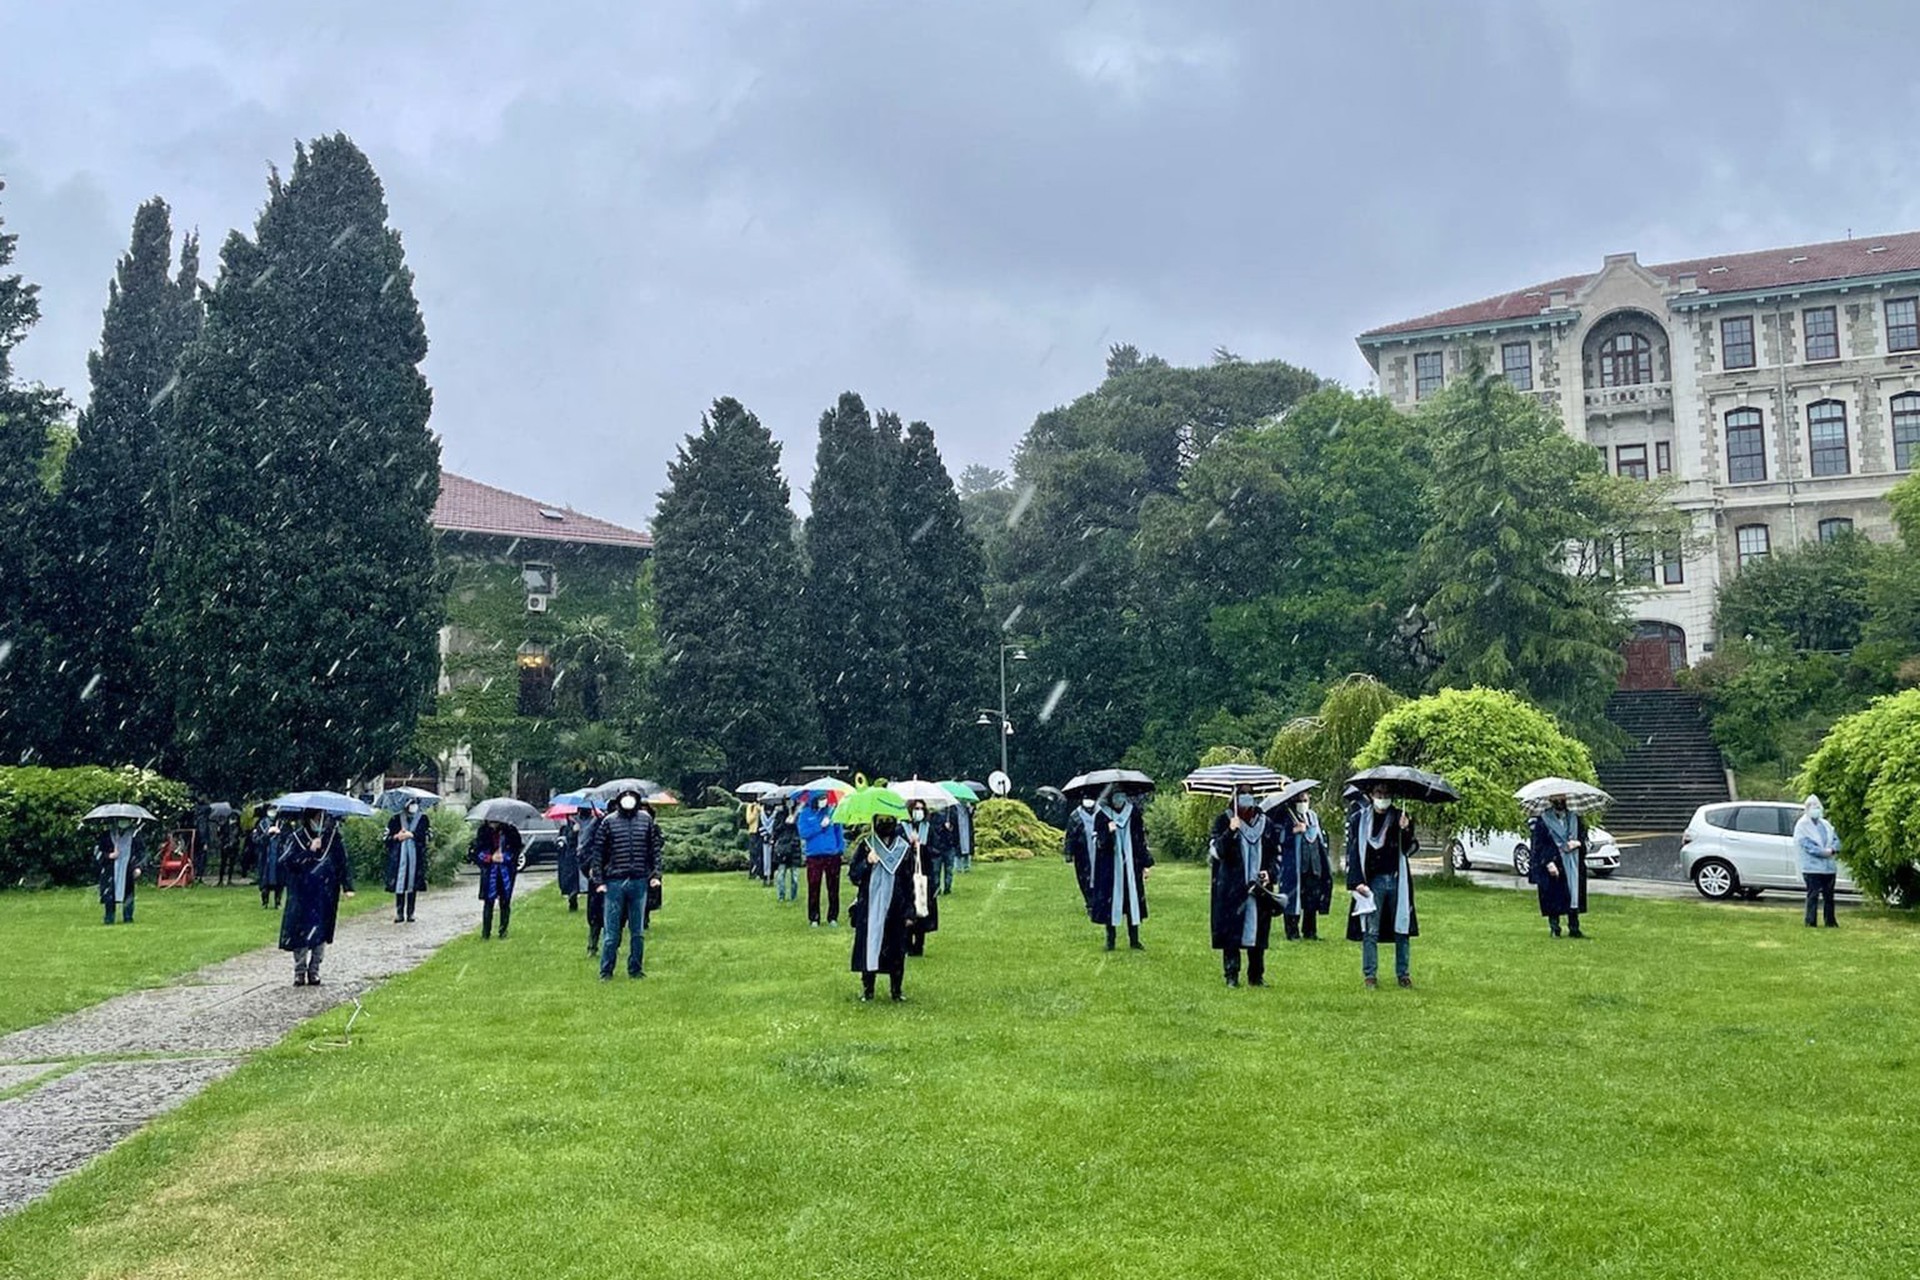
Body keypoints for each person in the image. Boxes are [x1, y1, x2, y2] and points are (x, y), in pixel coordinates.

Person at [1346, 786, 1420, 989]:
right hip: (1372, 882)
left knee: (1402, 928)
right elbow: (1354, 851)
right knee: (1370, 929)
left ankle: (1403, 974)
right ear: (1371, 795)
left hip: (1397, 879)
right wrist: (1356, 881)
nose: (1383, 798)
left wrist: (1405, 830)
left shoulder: (1400, 816)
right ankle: (1370, 975)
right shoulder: (1359, 820)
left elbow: (1408, 849)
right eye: (1379, 794)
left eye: (1387, 794)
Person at [587, 787, 665, 979]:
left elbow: (654, 850)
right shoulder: (608, 822)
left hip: (639, 880)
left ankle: (635, 969)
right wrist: (599, 880)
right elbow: (598, 853)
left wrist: (656, 875)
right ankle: (606, 971)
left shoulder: (646, 821)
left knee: (637, 932)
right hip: (614, 882)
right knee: (612, 932)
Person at [1210, 790, 1278, 987]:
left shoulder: (1266, 823)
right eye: (1242, 792)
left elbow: (1275, 853)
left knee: (1258, 931)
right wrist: (1230, 831)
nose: (1247, 797)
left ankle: (1256, 976)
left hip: (1259, 886)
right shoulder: (1224, 820)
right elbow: (1217, 852)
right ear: (1234, 796)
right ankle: (1232, 975)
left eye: (1250, 792)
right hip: (1232, 886)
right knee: (1233, 931)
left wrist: (1270, 873)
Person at [278, 809, 355, 986]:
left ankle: (315, 969)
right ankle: (299, 970)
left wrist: (347, 885)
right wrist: (309, 851)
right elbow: (287, 862)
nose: (321, 821)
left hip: (324, 891)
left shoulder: (333, 837)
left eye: (324, 817)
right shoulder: (297, 837)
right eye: (318, 817)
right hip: (301, 891)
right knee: (300, 932)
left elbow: (342, 862)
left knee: (320, 931)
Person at [849, 814, 915, 1001]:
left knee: (895, 949)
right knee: (869, 946)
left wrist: (909, 910)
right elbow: (854, 876)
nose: (885, 824)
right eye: (881, 820)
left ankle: (896, 990)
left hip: (896, 906)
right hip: (870, 906)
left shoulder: (903, 848)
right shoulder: (866, 846)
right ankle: (868, 989)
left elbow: (908, 880)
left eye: (889, 820)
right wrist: (867, 863)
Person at [1091, 786, 1151, 951]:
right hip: (1110, 869)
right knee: (1111, 904)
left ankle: (1134, 940)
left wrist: (1146, 863)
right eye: (1116, 796)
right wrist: (1108, 833)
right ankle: (1110, 941)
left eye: (1122, 796)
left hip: (1131, 866)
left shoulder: (1133, 813)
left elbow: (1140, 840)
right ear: (1110, 798)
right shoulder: (1102, 816)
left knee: (1132, 902)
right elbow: (1099, 845)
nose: (1120, 800)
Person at [1528, 796, 1589, 939]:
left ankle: (1574, 928)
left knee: (1573, 894)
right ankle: (1555, 928)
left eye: (1563, 798)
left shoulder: (1574, 818)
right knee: (1553, 896)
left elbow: (1583, 837)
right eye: (1557, 798)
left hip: (1573, 862)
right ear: (1551, 800)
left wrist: (1578, 843)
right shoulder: (1543, 821)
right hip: (1554, 862)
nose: (1560, 801)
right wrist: (1548, 862)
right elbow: (1539, 845)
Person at [1280, 791, 1332, 941]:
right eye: (1299, 799)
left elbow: (1318, 838)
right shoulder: (1287, 816)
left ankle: (1310, 931)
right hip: (1294, 865)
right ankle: (1292, 932)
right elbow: (1279, 838)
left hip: (1312, 864)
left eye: (1305, 799)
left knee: (1311, 899)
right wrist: (1293, 831)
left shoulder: (1312, 816)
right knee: (1292, 898)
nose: (1302, 802)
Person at [797, 791, 846, 928]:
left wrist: (839, 849)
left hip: (832, 855)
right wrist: (819, 826)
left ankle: (833, 917)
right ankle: (814, 917)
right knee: (814, 886)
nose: (823, 801)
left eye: (825, 798)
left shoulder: (832, 812)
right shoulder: (805, 814)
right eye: (820, 798)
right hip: (814, 855)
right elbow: (804, 833)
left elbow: (839, 832)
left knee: (833, 887)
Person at [470, 819, 522, 940]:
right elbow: (476, 851)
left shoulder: (510, 831)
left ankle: (503, 931)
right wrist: (489, 858)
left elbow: (516, 849)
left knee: (505, 901)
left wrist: (505, 857)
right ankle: (485, 933)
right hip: (490, 871)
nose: (493, 824)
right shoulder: (483, 832)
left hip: (506, 872)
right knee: (488, 902)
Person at [1795, 794, 1842, 929]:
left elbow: (1836, 840)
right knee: (1813, 895)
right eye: (1812, 807)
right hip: (1811, 868)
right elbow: (1807, 845)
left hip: (1828, 868)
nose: (1816, 809)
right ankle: (1810, 922)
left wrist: (1833, 849)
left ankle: (1830, 922)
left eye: (1817, 807)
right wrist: (1823, 852)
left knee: (1829, 896)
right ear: (1807, 808)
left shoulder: (1826, 824)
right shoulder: (1802, 825)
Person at [903, 801, 939, 957]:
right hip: (906, 875)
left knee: (922, 909)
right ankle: (907, 944)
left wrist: (921, 848)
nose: (919, 811)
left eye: (921, 809)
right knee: (908, 909)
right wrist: (910, 845)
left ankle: (919, 944)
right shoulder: (902, 829)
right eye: (916, 809)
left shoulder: (928, 829)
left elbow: (936, 850)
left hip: (924, 875)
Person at [386, 800, 430, 924]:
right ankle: (399, 912)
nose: (413, 806)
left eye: (415, 803)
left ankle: (410, 913)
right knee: (400, 884)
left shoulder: (423, 819)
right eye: (411, 803)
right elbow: (386, 838)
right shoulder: (395, 819)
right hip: (399, 857)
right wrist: (396, 836)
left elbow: (428, 836)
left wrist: (412, 835)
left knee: (413, 883)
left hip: (416, 857)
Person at [95, 818, 145, 925]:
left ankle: (128, 918)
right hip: (110, 870)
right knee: (109, 894)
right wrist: (109, 855)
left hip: (128, 869)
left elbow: (141, 853)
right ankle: (109, 918)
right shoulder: (107, 835)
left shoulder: (135, 835)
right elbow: (98, 852)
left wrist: (139, 867)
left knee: (128, 894)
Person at [1065, 793, 1099, 917]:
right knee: (1085, 878)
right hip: (1083, 854)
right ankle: (1090, 904)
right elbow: (1070, 836)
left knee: (1102, 877)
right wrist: (1069, 853)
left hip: (1100, 852)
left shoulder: (1103, 813)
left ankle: (1100, 902)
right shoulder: (1075, 816)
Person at [579, 807, 605, 956]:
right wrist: (590, 866)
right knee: (595, 912)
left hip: (617, 874)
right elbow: (585, 848)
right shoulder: (597, 824)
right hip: (597, 874)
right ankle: (592, 945)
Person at [249, 806, 286, 909]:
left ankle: (277, 902)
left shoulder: (282, 824)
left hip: (278, 857)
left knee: (279, 880)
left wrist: (280, 833)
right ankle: (264, 901)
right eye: (270, 810)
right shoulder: (261, 824)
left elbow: (288, 839)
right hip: (265, 857)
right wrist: (267, 833)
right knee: (265, 880)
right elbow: (256, 840)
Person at [771, 801, 803, 904]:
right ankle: (781, 895)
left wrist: (794, 822)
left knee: (795, 876)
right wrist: (784, 823)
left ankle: (793, 896)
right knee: (781, 874)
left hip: (794, 847)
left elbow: (802, 830)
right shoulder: (780, 815)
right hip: (782, 847)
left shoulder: (799, 814)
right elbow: (775, 830)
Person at [556, 812, 584, 913]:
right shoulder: (565, 828)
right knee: (568, 878)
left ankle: (574, 895)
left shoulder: (581, 826)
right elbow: (562, 840)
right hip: (567, 857)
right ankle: (571, 897)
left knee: (575, 879)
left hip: (577, 856)